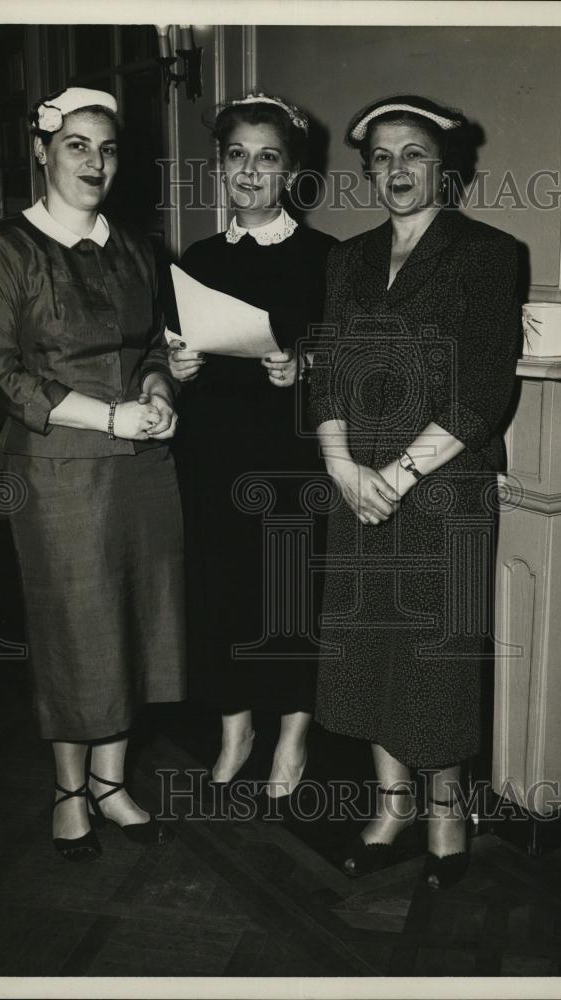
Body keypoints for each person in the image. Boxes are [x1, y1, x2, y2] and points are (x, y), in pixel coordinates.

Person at [0, 87, 185, 862]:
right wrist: (107, 416)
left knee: (135, 619)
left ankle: (112, 782)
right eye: (77, 145)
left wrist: (157, 391)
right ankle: (68, 789)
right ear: (42, 150)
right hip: (58, 468)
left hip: (141, 468)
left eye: (108, 148)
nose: (95, 162)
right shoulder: (6, 247)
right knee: (73, 627)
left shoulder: (136, 248)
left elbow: (154, 342)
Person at [309, 94, 520, 887]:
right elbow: (325, 367)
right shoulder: (347, 258)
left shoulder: (489, 253)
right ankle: (391, 804)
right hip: (355, 485)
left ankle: (446, 812)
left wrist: (394, 477)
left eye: (414, 156)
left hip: (441, 492)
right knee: (367, 649)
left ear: (447, 169)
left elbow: (482, 389)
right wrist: (340, 466)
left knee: (437, 654)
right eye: (383, 159)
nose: (397, 171)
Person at [167, 93, 336, 805]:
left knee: (288, 591)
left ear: (292, 172)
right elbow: (176, 354)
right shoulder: (198, 258)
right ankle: (235, 728)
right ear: (219, 167)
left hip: (288, 455)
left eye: (267, 158)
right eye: (236, 155)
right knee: (218, 590)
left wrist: (306, 366)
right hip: (211, 452)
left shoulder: (328, 259)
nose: (249, 170)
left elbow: (352, 359)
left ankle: (294, 734)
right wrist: (175, 371)